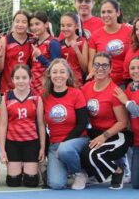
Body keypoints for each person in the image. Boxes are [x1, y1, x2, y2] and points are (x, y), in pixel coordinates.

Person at [81, 52, 129, 190]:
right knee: (81, 151)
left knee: (91, 154)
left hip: (116, 135)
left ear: (110, 68)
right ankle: (94, 173)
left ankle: (118, 171)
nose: (100, 68)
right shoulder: (86, 87)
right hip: (95, 132)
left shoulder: (115, 91)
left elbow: (122, 122)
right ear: (92, 67)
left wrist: (103, 137)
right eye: (97, 64)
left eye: (104, 65)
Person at [42, 59, 89, 190]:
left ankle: (79, 173)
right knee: (56, 184)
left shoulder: (76, 94)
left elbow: (82, 123)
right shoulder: (44, 96)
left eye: (62, 72)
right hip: (54, 145)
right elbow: (41, 126)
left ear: (68, 74)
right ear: (50, 75)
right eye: (55, 72)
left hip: (77, 141)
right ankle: (64, 168)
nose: (58, 75)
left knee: (66, 150)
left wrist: (64, 143)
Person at [0, 64, 45, 188]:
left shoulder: (36, 97)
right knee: (13, 183)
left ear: (30, 79)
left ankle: (31, 168)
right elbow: (3, 125)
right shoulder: (6, 98)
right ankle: (19, 167)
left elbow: (41, 125)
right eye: (17, 78)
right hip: (13, 143)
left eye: (24, 78)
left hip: (31, 142)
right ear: (12, 79)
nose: (21, 81)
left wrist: (42, 148)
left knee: (31, 183)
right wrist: (2, 150)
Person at [88, 0, 132, 86]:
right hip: (103, 83)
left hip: (125, 82)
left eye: (109, 12)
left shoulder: (130, 31)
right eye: (103, 12)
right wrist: (94, 76)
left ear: (118, 13)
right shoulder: (95, 35)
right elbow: (91, 62)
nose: (106, 15)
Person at [115, 56, 139, 189]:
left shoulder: (126, 95)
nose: (135, 71)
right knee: (136, 184)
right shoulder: (129, 87)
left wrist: (126, 101)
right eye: (132, 68)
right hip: (137, 143)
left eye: (138, 68)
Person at [0, 10, 34, 94]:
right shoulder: (4, 40)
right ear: (13, 22)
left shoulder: (33, 39)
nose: (20, 24)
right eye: (17, 21)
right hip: (7, 87)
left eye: (24, 22)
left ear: (28, 24)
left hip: (27, 87)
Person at [30, 11, 61, 95]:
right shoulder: (34, 42)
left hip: (46, 89)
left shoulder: (53, 42)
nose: (34, 27)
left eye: (37, 24)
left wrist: (40, 57)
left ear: (46, 24)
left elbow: (57, 68)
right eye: (31, 25)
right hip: (32, 88)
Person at [59, 13, 89, 87]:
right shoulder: (59, 43)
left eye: (69, 25)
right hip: (62, 83)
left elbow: (85, 68)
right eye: (62, 25)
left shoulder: (82, 41)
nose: (65, 28)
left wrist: (76, 50)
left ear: (77, 26)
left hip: (78, 84)